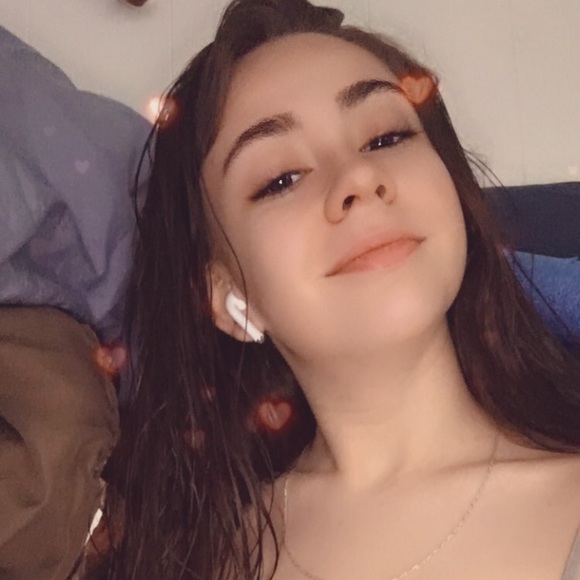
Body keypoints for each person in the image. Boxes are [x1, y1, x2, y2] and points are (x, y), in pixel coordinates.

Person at [95, 0, 580, 578]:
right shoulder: (194, 558)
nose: (358, 177)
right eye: (281, 179)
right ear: (224, 296)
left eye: (386, 137)